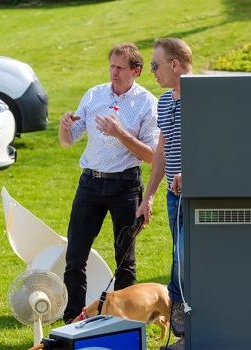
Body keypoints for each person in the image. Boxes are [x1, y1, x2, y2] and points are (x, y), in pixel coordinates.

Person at [59, 43, 159, 324]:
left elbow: (151, 155)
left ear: (136, 71)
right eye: (111, 66)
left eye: (120, 68)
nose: (114, 73)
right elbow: (69, 140)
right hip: (90, 183)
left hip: (125, 186)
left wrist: (120, 133)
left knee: (124, 258)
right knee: (75, 254)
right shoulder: (94, 95)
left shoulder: (147, 103)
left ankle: (124, 319)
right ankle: (73, 319)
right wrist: (64, 126)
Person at [136, 38, 193, 350]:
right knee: (179, 259)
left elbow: (217, 142)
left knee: (185, 260)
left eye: (156, 65)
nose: (152, 71)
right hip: (174, 196)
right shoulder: (164, 100)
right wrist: (149, 196)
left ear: (175, 64)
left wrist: (192, 171)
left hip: (200, 197)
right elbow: (162, 150)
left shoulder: (203, 97)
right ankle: (185, 333)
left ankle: (190, 329)